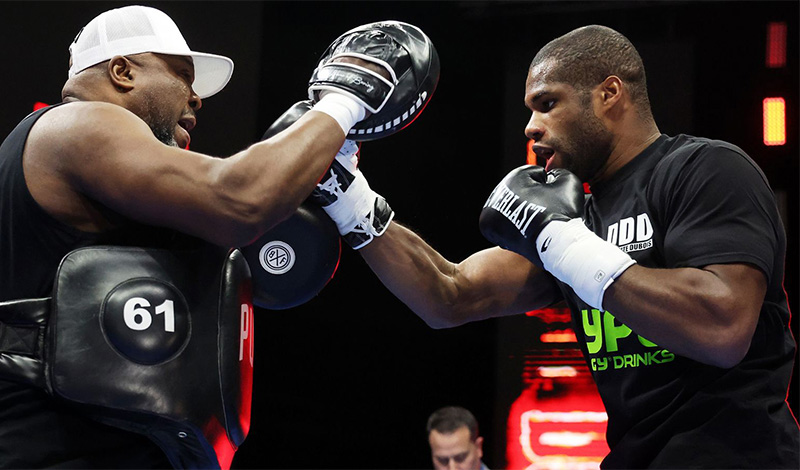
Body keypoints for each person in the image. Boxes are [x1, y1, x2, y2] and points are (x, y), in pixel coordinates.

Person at [318, 25, 800, 468]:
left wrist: (562, 242)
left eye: (547, 103)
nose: (530, 126)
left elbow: (723, 328)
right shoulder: (576, 219)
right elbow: (451, 293)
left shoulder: (705, 170)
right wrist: (350, 196)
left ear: (610, 94)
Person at [0, 5, 407, 468]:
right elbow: (241, 201)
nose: (196, 98)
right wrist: (344, 100)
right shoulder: (77, 125)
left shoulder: (124, 187)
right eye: (181, 75)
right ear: (122, 71)